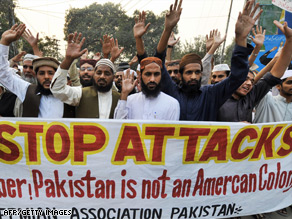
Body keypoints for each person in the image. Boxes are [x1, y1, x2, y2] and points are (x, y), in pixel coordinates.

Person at [135, 0, 261, 121]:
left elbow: (238, 76)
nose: (194, 76)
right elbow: (157, 61)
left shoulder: (212, 94)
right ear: (180, 75)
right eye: (189, 73)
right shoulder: (171, 91)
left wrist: (240, 38)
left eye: (197, 72)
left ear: (202, 73)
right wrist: (167, 29)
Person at [0, 24, 73, 118]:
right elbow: (3, 74)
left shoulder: (70, 95)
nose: (46, 77)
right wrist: (5, 42)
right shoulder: (26, 90)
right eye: (41, 73)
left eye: (51, 73)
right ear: (36, 75)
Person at [50, 32, 120, 118]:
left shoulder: (120, 98)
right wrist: (68, 59)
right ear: (94, 75)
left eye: (107, 74)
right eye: (98, 73)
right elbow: (57, 90)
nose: (102, 76)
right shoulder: (81, 93)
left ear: (113, 78)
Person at [114, 58, 180, 120]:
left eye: (156, 74)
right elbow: (118, 126)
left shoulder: (172, 104)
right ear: (140, 76)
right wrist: (124, 93)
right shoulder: (129, 100)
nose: (152, 79)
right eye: (148, 74)